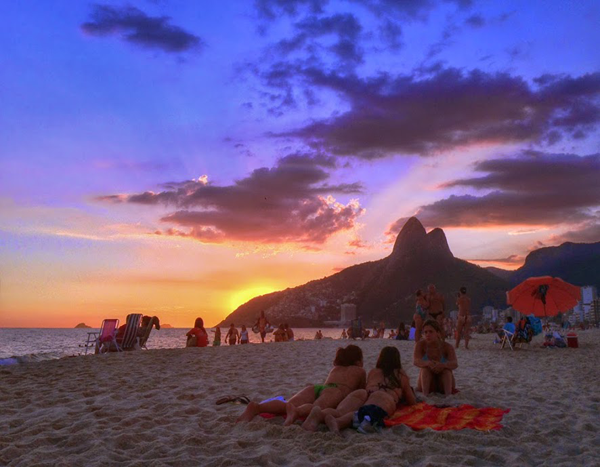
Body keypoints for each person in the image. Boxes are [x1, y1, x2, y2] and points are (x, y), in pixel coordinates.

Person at [237, 345, 366, 424]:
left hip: (318, 388)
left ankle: (257, 407)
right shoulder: (360, 371)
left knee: (289, 405)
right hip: (336, 391)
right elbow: (360, 393)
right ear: (357, 360)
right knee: (316, 409)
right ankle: (297, 413)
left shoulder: (336, 368)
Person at [324, 346, 417, 434]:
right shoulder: (401, 374)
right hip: (385, 397)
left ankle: (338, 420)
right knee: (374, 413)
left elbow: (367, 386)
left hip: (368, 394)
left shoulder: (373, 371)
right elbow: (411, 401)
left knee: (362, 411)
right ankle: (342, 422)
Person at [413, 319, 458, 396]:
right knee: (425, 369)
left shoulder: (446, 347)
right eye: (425, 332)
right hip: (428, 383)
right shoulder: (420, 345)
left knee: (447, 371)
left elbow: (454, 364)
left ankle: (448, 396)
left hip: (442, 383)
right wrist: (428, 363)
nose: (427, 334)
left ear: (438, 333)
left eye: (431, 332)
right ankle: (425, 396)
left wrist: (443, 365)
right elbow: (416, 361)